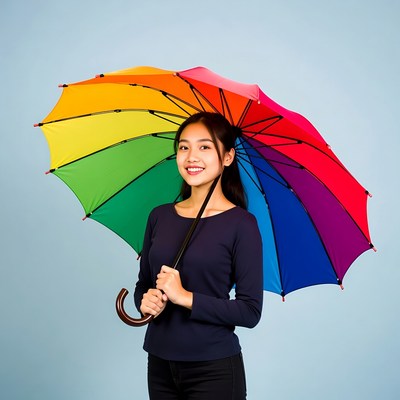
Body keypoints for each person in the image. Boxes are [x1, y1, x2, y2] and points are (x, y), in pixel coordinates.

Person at [134, 112, 263, 400]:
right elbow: (143, 284)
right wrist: (145, 300)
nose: (192, 156)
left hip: (213, 369)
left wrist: (185, 297)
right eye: (184, 146)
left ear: (227, 157)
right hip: (159, 363)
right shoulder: (159, 216)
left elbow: (250, 311)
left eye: (205, 147)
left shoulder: (242, 225)